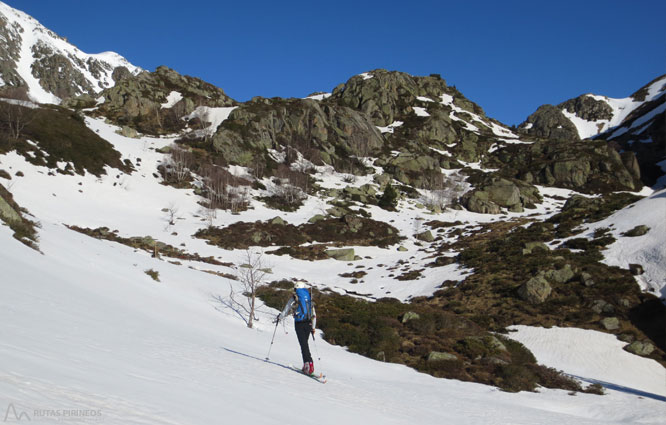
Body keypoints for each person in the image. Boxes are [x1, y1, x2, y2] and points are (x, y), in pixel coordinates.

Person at [276, 280, 317, 375]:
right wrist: (313, 327)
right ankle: (306, 365)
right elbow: (314, 314)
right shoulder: (308, 298)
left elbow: (287, 309)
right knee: (304, 344)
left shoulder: (295, 298)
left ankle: (309, 364)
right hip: (308, 323)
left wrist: (280, 317)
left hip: (299, 324)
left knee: (303, 345)